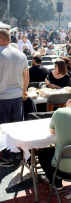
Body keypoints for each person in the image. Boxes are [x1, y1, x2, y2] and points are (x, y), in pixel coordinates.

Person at [0, 29, 29, 167]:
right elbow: (26, 76)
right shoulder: (20, 54)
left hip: (2, 97)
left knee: (3, 128)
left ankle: (6, 158)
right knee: (16, 126)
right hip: (17, 95)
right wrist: (24, 91)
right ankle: (17, 153)